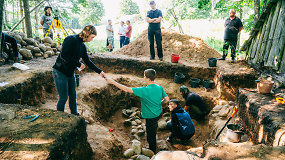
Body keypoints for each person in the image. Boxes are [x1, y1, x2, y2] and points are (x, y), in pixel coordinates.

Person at [106, 69, 169, 153]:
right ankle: (153, 134)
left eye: (144, 75)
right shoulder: (159, 87)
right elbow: (167, 99)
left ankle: (152, 150)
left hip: (151, 116)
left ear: (147, 78)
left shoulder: (144, 90)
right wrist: (159, 103)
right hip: (159, 113)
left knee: (151, 135)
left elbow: (127, 89)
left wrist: (112, 81)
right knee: (153, 127)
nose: (143, 77)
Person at [52, 25, 105, 116]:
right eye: (92, 37)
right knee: (63, 97)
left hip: (70, 73)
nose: (92, 39)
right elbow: (64, 55)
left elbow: (87, 61)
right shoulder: (70, 39)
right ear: (87, 34)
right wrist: (78, 64)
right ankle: (59, 118)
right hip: (60, 72)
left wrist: (99, 71)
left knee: (73, 95)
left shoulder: (82, 46)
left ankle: (75, 115)